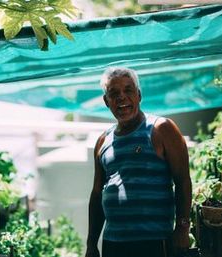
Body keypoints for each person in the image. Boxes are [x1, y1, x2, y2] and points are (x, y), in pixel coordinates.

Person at [85, 67, 192, 257]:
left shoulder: (161, 129)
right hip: (113, 244)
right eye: (114, 93)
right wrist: (91, 244)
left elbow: (183, 181)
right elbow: (96, 194)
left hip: (154, 243)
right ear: (106, 101)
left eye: (128, 90)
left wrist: (182, 228)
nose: (122, 98)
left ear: (139, 95)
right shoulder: (103, 141)